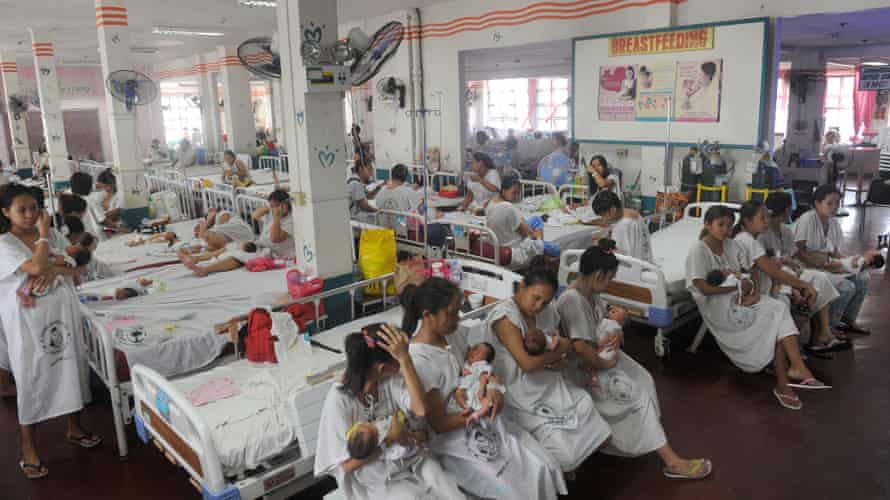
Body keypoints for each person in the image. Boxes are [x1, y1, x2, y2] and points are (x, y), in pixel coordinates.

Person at [558, 240, 712, 479]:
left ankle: (643, 435)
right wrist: (605, 363)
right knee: (636, 397)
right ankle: (673, 462)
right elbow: (580, 346)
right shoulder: (572, 300)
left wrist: (618, 328)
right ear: (599, 275)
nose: (610, 283)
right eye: (610, 278)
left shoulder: (590, 293)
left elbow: (616, 316)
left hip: (602, 355)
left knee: (644, 378)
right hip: (585, 366)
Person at [403, 278, 567, 499]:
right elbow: (439, 424)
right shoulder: (421, 360)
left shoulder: (454, 334)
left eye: (458, 310)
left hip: (482, 415)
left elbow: (481, 366)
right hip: (454, 435)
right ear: (427, 315)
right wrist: (482, 412)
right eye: (451, 313)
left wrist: (493, 387)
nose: (458, 317)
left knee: (541, 466)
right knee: (513, 486)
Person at [0, 183, 100, 480]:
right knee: (32, 376)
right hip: (28, 323)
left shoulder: (54, 236)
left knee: (70, 368)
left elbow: (76, 268)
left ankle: (74, 426)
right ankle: (28, 448)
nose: (31, 214)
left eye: (34, 208)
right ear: (6, 213)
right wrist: (47, 245)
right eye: (22, 209)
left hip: (61, 313)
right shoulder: (4, 243)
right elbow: (35, 266)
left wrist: (56, 268)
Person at [686, 205, 829, 411]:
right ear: (707, 225)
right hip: (716, 306)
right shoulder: (698, 251)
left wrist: (752, 290)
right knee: (776, 316)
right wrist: (735, 287)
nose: (726, 230)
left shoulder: (731, 245)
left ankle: (792, 373)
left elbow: (749, 269)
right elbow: (703, 289)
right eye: (720, 225)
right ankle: (788, 378)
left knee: (779, 309)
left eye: (728, 225)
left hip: (738, 297)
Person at [314, 323, 467, 499]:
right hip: (378, 477)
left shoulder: (389, 380)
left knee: (448, 490)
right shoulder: (339, 399)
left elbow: (421, 410)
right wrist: (389, 440)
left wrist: (405, 360)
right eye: (401, 359)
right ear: (382, 368)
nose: (406, 363)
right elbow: (345, 466)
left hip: (410, 458)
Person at [485, 265, 610, 477]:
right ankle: (562, 464)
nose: (539, 306)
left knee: (586, 406)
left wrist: (560, 356)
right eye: (536, 298)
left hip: (546, 380)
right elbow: (527, 363)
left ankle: (574, 457)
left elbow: (560, 344)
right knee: (564, 449)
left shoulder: (547, 311)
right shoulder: (505, 317)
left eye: (545, 302)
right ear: (522, 287)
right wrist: (560, 351)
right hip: (518, 389)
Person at [732, 200, 844, 352]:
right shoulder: (746, 240)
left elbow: (774, 268)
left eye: (767, 217)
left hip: (772, 281)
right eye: (762, 218)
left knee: (820, 280)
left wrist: (793, 281)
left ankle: (822, 334)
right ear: (747, 220)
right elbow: (772, 271)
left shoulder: (755, 237)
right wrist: (801, 285)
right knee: (784, 302)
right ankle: (785, 350)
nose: (767, 221)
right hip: (764, 288)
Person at [794, 185, 872, 336]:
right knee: (846, 286)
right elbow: (799, 252)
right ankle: (829, 327)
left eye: (837, 203)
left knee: (863, 277)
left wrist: (852, 260)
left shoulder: (834, 224)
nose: (834, 207)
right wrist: (823, 264)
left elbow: (835, 252)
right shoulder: (807, 220)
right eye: (829, 203)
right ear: (817, 203)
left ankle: (848, 320)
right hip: (806, 267)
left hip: (826, 266)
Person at [486, 173, 559, 269]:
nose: (516, 196)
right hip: (514, 247)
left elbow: (519, 221)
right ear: (503, 191)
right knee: (556, 249)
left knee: (536, 219)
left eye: (518, 193)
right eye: (514, 193)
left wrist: (524, 223)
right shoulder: (508, 208)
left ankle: (541, 253)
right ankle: (540, 258)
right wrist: (537, 237)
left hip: (501, 238)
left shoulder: (492, 202)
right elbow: (526, 235)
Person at [590, 190, 652, 262]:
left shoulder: (622, 227)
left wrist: (601, 243)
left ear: (613, 210)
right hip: (645, 262)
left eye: (603, 215)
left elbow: (619, 257)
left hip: (631, 269)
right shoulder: (634, 214)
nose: (603, 218)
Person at [251, 189, 295, 259]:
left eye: (275, 206)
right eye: (271, 206)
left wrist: (277, 218)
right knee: (243, 247)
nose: (273, 209)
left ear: (285, 205)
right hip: (262, 247)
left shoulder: (291, 220)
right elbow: (255, 215)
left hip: (277, 254)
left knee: (238, 258)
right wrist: (269, 207)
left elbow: (275, 239)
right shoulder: (271, 212)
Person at [179, 241, 258, 277]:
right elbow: (217, 252)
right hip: (221, 257)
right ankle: (195, 259)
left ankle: (204, 269)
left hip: (241, 255)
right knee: (228, 252)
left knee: (236, 257)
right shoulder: (235, 246)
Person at [348, 156, 382, 224]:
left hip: (354, 215)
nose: (371, 173)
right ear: (360, 169)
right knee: (377, 220)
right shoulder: (355, 183)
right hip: (353, 218)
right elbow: (364, 206)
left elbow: (368, 196)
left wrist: (378, 188)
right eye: (369, 169)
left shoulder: (355, 180)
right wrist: (378, 211)